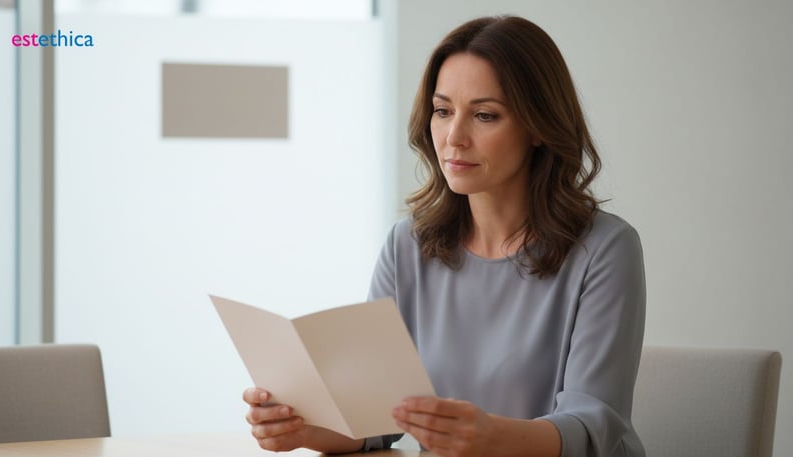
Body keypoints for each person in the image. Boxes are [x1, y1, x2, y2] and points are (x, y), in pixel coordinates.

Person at [244, 15, 646, 457]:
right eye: (442, 111)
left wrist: (491, 438)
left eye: (484, 115)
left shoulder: (605, 249)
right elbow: (374, 419)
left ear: (537, 126)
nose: (454, 137)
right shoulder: (406, 247)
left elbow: (591, 431)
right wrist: (303, 428)